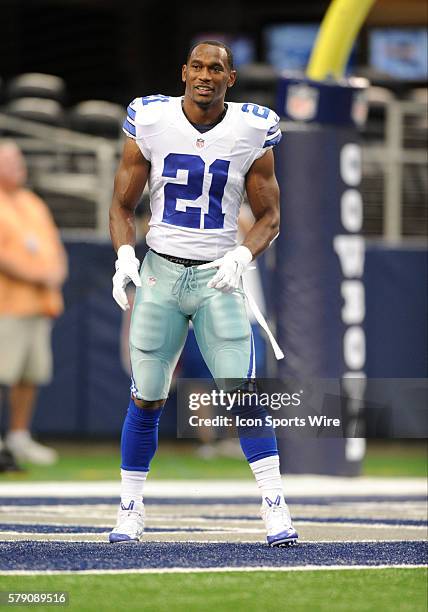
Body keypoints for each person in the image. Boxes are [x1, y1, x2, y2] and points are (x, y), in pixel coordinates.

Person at [109, 41, 298, 547]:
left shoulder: (253, 127)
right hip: (161, 274)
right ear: (184, 72)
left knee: (244, 393)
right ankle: (130, 508)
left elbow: (271, 218)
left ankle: (275, 507)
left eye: (216, 68)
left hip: (219, 276)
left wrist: (241, 256)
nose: (205, 76)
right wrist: (125, 256)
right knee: (147, 395)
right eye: (197, 66)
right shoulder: (149, 117)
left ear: (230, 78)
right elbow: (122, 203)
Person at [0, 141, 67, 468]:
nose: (17, 166)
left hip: (40, 305)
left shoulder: (32, 202)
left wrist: (56, 273)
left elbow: (54, 246)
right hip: (6, 305)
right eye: (9, 162)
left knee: (31, 375)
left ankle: (18, 436)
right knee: (3, 374)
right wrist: (39, 275)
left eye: (18, 160)